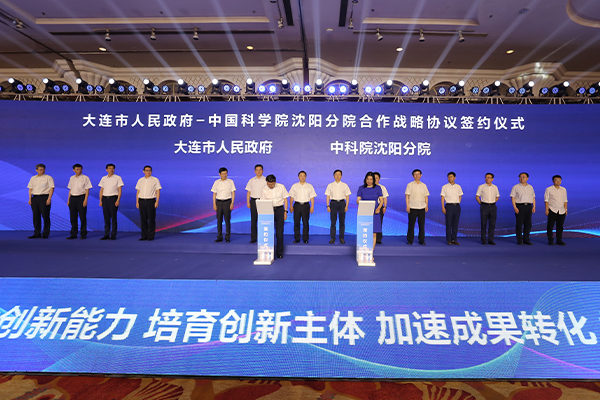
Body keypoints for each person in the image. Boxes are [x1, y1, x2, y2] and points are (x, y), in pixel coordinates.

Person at [260, 174, 289, 259]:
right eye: (268, 184)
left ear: (275, 182)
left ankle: (279, 252)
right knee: (268, 231)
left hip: (280, 209)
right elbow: (262, 202)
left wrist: (285, 211)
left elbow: (285, 199)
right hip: (269, 210)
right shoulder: (264, 189)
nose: (270, 186)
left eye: (271, 184)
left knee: (279, 232)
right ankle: (269, 252)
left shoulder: (281, 187)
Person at [356, 172, 384, 254]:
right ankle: (363, 252)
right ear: (365, 180)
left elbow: (381, 200)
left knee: (374, 233)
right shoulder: (361, 188)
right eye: (368, 179)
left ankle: (370, 253)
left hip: (375, 212)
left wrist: (379, 208)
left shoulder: (378, 188)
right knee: (364, 232)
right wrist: (359, 203)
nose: (369, 181)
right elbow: (358, 200)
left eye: (371, 179)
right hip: (364, 212)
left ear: (374, 180)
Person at [27, 163, 54, 239]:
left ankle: (45, 233)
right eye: (40, 170)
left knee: (45, 216)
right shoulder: (33, 178)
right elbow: (30, 189)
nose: (42, 171)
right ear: (36, 170)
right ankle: (37, 233)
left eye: (43, 169)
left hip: (44, 197)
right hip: (35, 198)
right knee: (36, 216)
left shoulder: (48, 178)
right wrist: (30, 199)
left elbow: (51, 188)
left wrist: (49, 199)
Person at [289, 170, 317, 243]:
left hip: (306, 206)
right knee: (296, 222)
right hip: (297, 205)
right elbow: (291, 197)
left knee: (305, 223)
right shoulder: (294, 186)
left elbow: (312, 197)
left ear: (306, 177)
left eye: (303, 176)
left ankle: (305, 238)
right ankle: (297, 238)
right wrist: (291, 206)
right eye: (301, 176)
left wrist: (312, 207)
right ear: (298, 177)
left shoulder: (309, 186)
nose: (302, 177)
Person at [135, 165, 162, 241]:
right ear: (143, 171)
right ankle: (144, 236)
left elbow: (158, 191)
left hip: (151, 201)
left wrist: (157, 201)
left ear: (151, 171)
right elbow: (138, 192)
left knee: (151, 219)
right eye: (146, 170)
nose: (148, 172)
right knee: (143, 219)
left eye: (149, 170)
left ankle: (150, 236)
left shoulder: (155, 180)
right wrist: (137, 202)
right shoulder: (140, 180)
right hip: (141, 201)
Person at [98, 163, 124, 240]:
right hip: (105, 199)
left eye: (112, 168)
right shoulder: (103, 178)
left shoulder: (118, 178)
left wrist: (118, 200)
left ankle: (113, 235)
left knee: (113, 217)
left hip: (113, 198)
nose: (111, 170)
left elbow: (120, 190)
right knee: (106, 218)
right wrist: (101, 200)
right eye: (109, 168)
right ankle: (106, 234)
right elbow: (101, 190)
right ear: (106, 170)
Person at [66, 163, 92, 239]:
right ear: (74, 170)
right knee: (73, 217)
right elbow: (70, 189)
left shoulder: (85, 178)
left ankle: (83, 234)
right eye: (77, 169)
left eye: (80, 169)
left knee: (82, 217)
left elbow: (87, 190)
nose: (79, 171)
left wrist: (85, 200)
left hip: (81, 198)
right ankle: (73, 234)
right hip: (72, 198)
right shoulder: (72, 178)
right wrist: (68, 200)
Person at [325, 169, 351, 244]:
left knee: (342, 222)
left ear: (341, 176)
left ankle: (341, 237)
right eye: (336, 174)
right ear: (334, 176)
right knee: (333, 222)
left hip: (342, 203)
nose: (337, 176)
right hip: (333, 203)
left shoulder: (345, 185)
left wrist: (346, 206)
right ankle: (332, 238)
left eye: (339, 174)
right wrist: (328, 206)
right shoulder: (330, 185)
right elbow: (328, 196)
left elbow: (347, 196)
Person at [510, 172, 536, 245]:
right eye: (520, 177)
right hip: (520, 206)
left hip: (529, 206)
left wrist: (534, 206)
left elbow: (533, 197)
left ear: (527, 178)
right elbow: (513, 197)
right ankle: (519, 240)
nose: (522, 178)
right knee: (519, 223)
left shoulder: (530, 187)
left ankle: (526, 240)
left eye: (523, 177)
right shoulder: (515, 187)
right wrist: (515, 207)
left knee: (528, 224)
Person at [405, 169, 429, 245]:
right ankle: (410, 240)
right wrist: (407, 206)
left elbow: (426, 196)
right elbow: (407, 196)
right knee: (411, 224)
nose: (417, 175)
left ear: (421, 175)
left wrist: (426, 205)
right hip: (412, 207)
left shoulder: (424, 185)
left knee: (421, 225)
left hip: (422, 207)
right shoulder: (410, 185)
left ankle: (421, 240)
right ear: (413, 176)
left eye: (418, 174)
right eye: (415, 174)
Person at [211, 167, 235, 243]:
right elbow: (214, 193)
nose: (224, 175)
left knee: (227, 220)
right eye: (223, 174)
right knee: (219, 220)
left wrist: (232, 203)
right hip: (219, 202)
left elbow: (233, 192)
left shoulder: (230, 182)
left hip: (227, 202)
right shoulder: (216, 182)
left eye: (226, 173)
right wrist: (214, 204)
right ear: (219, 174)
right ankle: (219, 236)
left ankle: (227, 237)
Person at [476, 173, 500, 245]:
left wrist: (492, 202)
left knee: (492, 224)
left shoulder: (495, 187)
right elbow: (477, 197)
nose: (487, 179)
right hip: (484, 206)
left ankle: (491, 240)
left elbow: (497, 197)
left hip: (493, 206)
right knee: (483, 224)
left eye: (489, 177)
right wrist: (482, 204)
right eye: (486, 177)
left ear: (492, 179)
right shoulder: (481, 187)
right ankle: (483, 240)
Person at [245, 164, 267, 243]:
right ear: (255, 171)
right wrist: (248, 202)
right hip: (253, 201)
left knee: (263, 220)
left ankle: (263, 237)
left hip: (263, 201)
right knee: (253, 220)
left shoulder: (266, 180)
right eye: (257, 170)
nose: (259, 171)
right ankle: (253, 238)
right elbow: (249, 192)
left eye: (260, 169)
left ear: (263, 171)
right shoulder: (251, 180)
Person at [441, 171, 463, 245]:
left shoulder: (458, 187)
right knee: (449, 224)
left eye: (451, 177)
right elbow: (442, 197)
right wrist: (443, 207)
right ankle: (449, 240)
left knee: (455, 224)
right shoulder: (445, 187)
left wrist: (458, 202)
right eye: (448, 177)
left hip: (456, 206)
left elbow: (460, 196)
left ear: (454, 178)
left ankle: (454, 239)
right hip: (449, 206)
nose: (449, 178)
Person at [545, 175, 567, 246]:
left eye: (559, 180)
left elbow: (565, 200)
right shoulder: (549, 189)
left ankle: (559, 240)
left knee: (560, 226)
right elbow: (546, 200)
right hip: (552, 209)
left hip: (561, 210)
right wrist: (547, 209)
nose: (558, 181)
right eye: (556, 180)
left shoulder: (563, 189)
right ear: (553, 181)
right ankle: (550, 240)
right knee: (550, 226)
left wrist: (565, 209)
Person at [373, 172, 389, 244]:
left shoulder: (382, 187)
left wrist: (385, 206)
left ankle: (378, 239)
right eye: (374, 178)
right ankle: (370, 238)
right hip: (370, 206)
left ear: (379, 179)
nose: (375, 179)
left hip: (379, 206)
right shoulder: (369, 187)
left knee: (379, 222)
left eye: (376, 178)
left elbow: (385, 198)